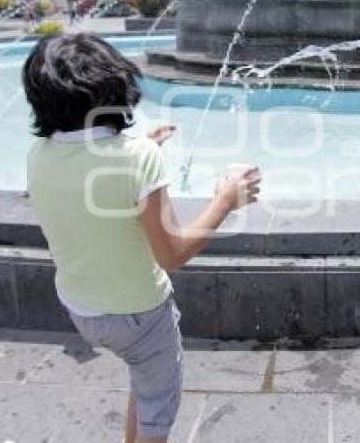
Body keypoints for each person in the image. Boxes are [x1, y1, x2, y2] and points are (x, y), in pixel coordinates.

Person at [23, 33, 261, 442]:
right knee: (157, 412)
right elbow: (173, 254)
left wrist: (139, 150)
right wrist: (225, 200)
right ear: (119, 87)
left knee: (144, 383)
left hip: (81, 308)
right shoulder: (136, 158)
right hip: (141, 316)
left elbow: (88, 182)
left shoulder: (38, 154)